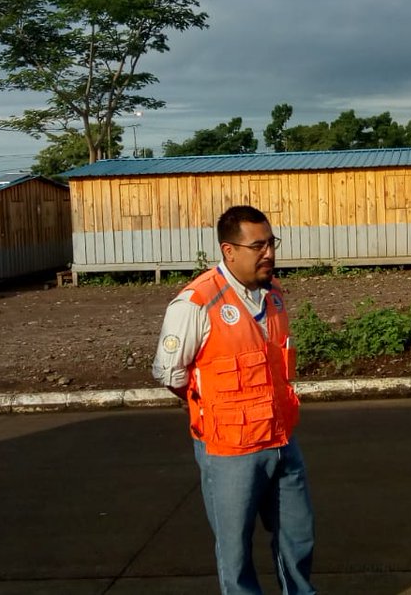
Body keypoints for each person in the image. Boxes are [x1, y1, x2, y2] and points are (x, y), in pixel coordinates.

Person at [153, 205, 316, 595]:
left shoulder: (274, 295)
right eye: (257, 246)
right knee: (235, 552)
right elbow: (169, 372)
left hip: (282, 442)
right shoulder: (196, 303)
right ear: (229, 251)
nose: (269, 254)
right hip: (230, 451)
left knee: (298, 537)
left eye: (271, 243)